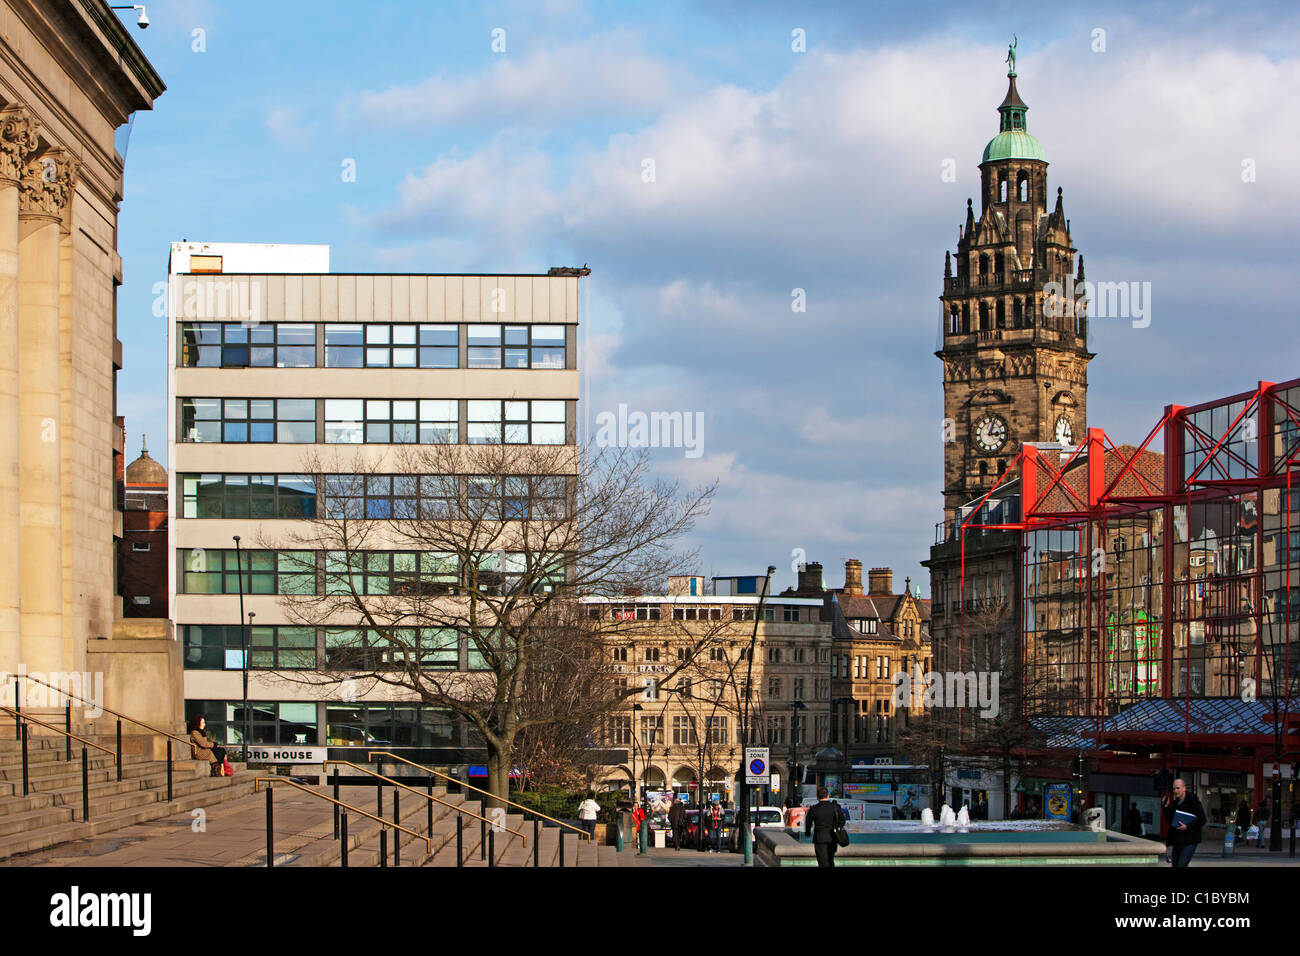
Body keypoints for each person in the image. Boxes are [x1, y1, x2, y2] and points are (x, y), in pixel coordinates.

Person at [1162, 778, 1207, 867]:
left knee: (1181, 865)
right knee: (1175, 865)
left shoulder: (1193, 802)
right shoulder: (1176, 803)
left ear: (1184, 788)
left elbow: (1202, 820)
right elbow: (1171, 820)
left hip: (1190, 839)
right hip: (1178, 839)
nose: (1175, 791)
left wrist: (1188, 826)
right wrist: (1166, 807)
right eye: (1174, 788)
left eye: (1178, 788)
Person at [804, 786, 845, 868]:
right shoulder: (835, 807)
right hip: (833, 837)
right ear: (828, 796)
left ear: (817, 797)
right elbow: (842, 821)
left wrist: (807, 832)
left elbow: (808, 822)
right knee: (830, 860)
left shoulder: (814, 808)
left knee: (822, 862)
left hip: (820, 839)